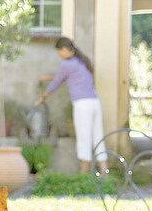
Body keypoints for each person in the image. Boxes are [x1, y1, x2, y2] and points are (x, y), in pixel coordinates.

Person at [35, 36, 107, 174]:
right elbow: (65, 77)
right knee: (98, 136)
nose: (59, 55)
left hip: (82, 105)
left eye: (58, 52)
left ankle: (83, 174)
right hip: (94, 102)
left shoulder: (67, 64)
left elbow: (56, 82)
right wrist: (47, 77)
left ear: (64, 50)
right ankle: (104, 172)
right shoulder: (81, 61)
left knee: (83, 137)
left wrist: (42, 98)